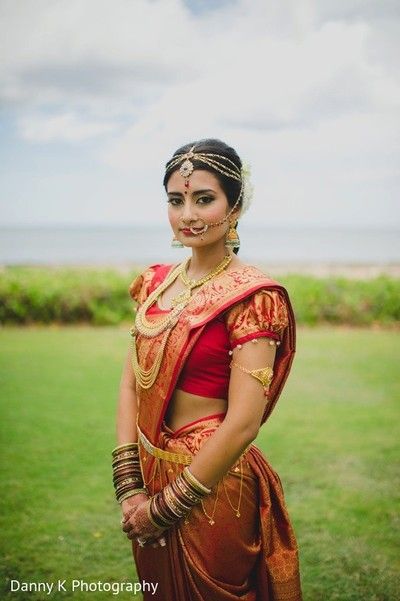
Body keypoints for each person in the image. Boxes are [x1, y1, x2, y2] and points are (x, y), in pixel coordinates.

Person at [113, 139, 302, 600]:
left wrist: (167, 506)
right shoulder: (157, 284)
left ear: (234, 206)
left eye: (204, 199)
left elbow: (243, 423)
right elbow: (131, 381)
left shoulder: (253, 297)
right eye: (176, 201)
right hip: (150, 469)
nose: (188, 215)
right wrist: (130, 488)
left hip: (214, 485)